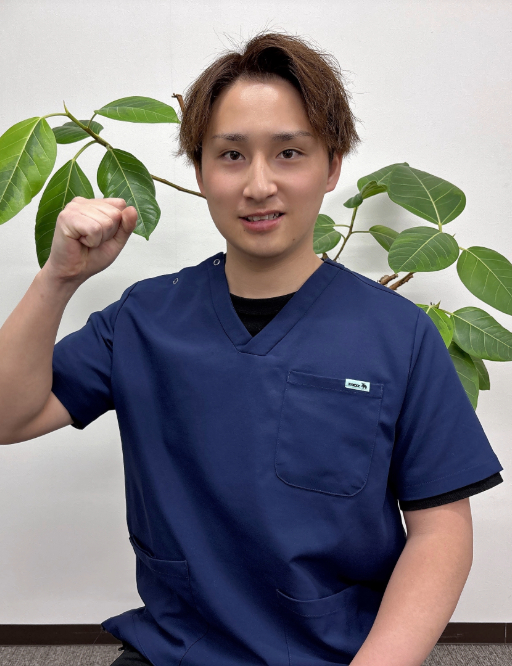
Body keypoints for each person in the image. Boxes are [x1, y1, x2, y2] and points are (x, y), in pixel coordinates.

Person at [0, 30, 504, 666]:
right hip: (176, 650)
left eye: (289, 152)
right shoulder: (143, 319)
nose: (259, 184)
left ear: (332, 166)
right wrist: (58, 278)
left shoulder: (399, 335)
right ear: (202, 171)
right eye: (232, 155)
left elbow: (440, 530)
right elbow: (9, 416)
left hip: (339, 654)